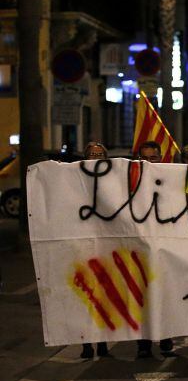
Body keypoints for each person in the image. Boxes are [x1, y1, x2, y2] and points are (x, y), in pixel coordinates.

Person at [135, 141, 175, 358]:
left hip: (165, 248)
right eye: (145, 158)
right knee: (143, 297)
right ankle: (143, 343)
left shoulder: (169, 180)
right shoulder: (130, 182)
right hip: (141, 249)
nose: (149, 163)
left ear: (160, 158)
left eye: (153, 158)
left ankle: (166, 337)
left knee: (166, 294)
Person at [81, 142, 110, 359]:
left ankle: (102, 343)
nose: (96, 157)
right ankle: (85, 343)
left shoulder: (112, 179)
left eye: (100, 154)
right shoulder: (76, 178)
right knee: (84, 298)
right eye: (92, 154)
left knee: (103, 297)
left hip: (106, 247)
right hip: (82, 247)